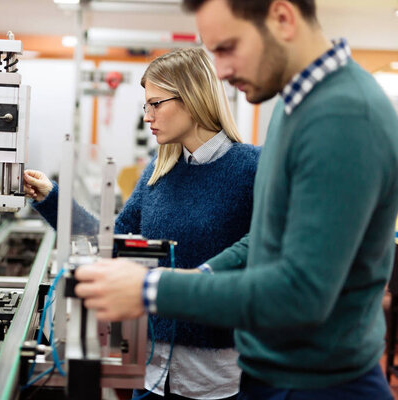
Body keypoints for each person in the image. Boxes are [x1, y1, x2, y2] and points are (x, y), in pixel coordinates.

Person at [73, 1, 398, 399]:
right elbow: (262, 238)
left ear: (282, 17)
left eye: (228, 48)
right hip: (275, 371)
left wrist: (151, 290)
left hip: (320, 384)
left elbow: (302, 294)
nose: (221, 71)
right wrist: (200, 276)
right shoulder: (293, 105)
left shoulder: (344, 116)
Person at [24, 47, 260, 400]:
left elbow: (263, 259)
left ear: (193, 98)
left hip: (215, 381)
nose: (147, 116)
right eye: (145, 106)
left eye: (155, 104)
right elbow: (112, 242)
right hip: (151, 374)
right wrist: (50, 197)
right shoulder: (159, 170)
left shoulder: (252, 169)